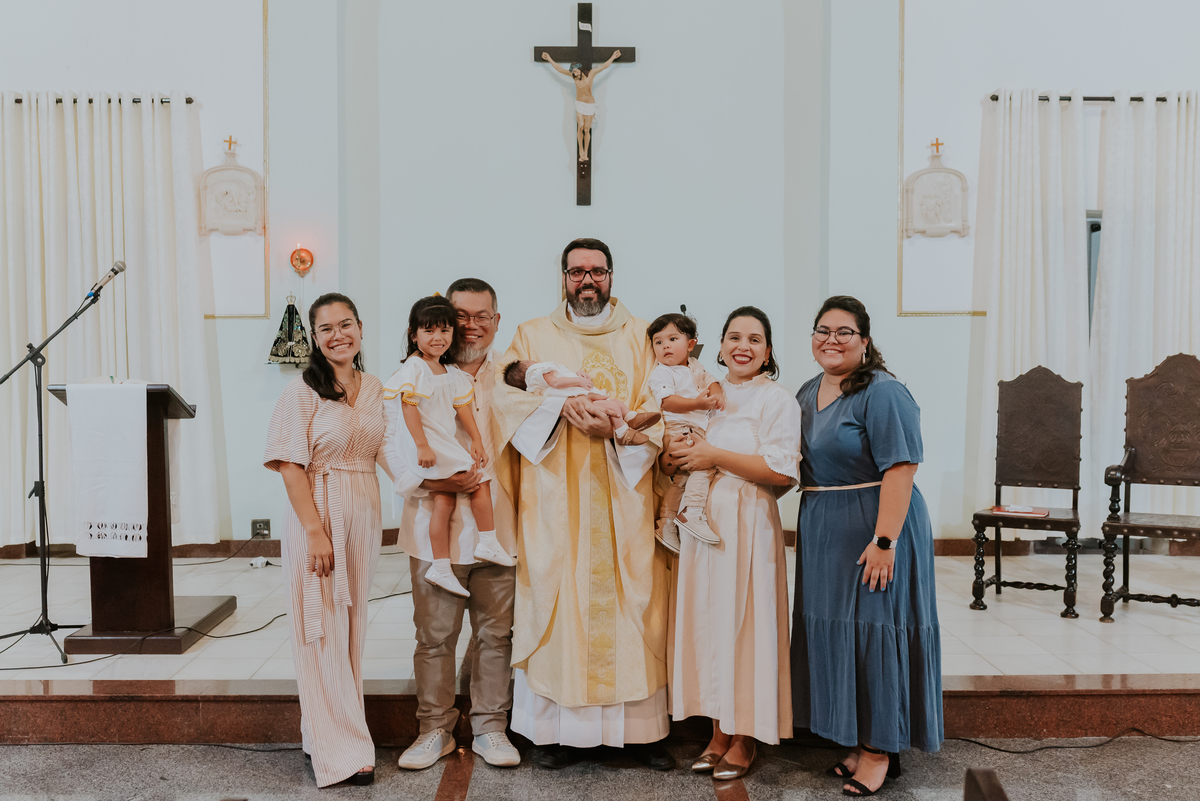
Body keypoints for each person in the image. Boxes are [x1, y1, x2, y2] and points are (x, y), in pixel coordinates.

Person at [492, 237, 675, 771]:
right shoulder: (532, 334)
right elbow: (503, 397)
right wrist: (559, 405)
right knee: (558, 600)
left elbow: (662, 398)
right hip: (557, 498)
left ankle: (642, 735)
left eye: (596, 271)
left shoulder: (644, 335)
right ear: (564, 278)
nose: (587, 281)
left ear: (612, 276)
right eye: (576, 273)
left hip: (626, 496)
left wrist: (620, 427)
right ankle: (554, 734)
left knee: (635, 607)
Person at [791, 296, 943, 797]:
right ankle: (858, 740)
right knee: (840, 634)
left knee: (876, 629)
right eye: (822, 330)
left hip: (875, 524)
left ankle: (881, 752)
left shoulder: (883, 392)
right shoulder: (807, 390)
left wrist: (884, 541)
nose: (831, 340)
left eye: (844, 332)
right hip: (823, 527)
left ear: (865, 340)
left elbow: (901, 468)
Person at [385, 279, 522, 770]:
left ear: (496, 320)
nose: (469, 325)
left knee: (495, 635)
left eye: (480, 315)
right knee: (435, 637)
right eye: (459, 315)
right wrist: (431, 484)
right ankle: (434, 730)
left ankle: (490, 727)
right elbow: (389, 443)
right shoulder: (413, 376)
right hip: (432, 526)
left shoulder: (512, 374)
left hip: (497, 529)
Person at [663, 306, 799, 781]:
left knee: (747, 624)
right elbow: (677, 451)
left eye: (755, 339)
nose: (744, 346)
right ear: (719, 346)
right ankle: (718, 731)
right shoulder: (703, 397)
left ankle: (745, 737)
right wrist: (676, 456)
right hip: (702, 527)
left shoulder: (777, 399)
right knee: (711, 622)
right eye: (734, 337)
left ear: (767, 352)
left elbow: (783, 471)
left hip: (748, 522)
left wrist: (715, 454)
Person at [263, 293, 391, 787]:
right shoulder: (301, 391)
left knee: (352, 630)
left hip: (363, 516)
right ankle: (343, 750)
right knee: (320, 630)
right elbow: (290, 466)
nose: (338, 335)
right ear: (314, 337)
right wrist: (315, 531)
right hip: (320, 515)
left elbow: (388, 451)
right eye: (326, 329)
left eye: (346, 325)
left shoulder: (374, 386)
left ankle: (324, 733)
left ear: (360, 327)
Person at [387, 296, 512, 599]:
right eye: (429, 331)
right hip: (430, 445)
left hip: (442, 442)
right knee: (479, 480)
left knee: (444, 502)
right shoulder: (415, 368)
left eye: (444, 331)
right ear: (413, 335)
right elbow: (408, 407)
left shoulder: (451, 372)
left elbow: (463, 408)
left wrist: (478, 440)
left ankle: (441, 565)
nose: (438, 338)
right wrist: (421, 446)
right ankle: (488, 540)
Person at [646, 312, 725, 553]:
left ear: (691, 344)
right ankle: (692, 511)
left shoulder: (695, 366)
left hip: (695, 428)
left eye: (672, 339)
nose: (665, 346)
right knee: (706, 465)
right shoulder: (662, 372)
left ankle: (666, 522)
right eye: (658, 342)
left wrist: (716, 392)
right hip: (679, 429)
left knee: (681, 478)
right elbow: (667, 402)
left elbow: (712, 380)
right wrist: (698, 404)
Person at [501, 358, 660, 445]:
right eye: (529, 361)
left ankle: (632, 418)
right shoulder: (535, 372)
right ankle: (622, 433)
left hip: (586, 395)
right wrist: (578, 381)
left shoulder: (542, 375)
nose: (533, 360)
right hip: (583, 402)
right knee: (612, 407)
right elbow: (556, 383)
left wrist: (580, 376)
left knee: (616, 403)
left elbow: (564, 380)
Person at [541, 49, 622, 161]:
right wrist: (549, 59)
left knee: (587, 129)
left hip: (590, 105)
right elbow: (559, 69)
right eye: (573, 72)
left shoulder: (591, 74)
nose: (574, 74)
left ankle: (586, 152)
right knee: (580, 127)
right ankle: (581, 152)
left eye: (575, 71)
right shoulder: (574, 78)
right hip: (579, 104)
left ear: (579, 69)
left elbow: (603, 67)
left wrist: (613, 57)